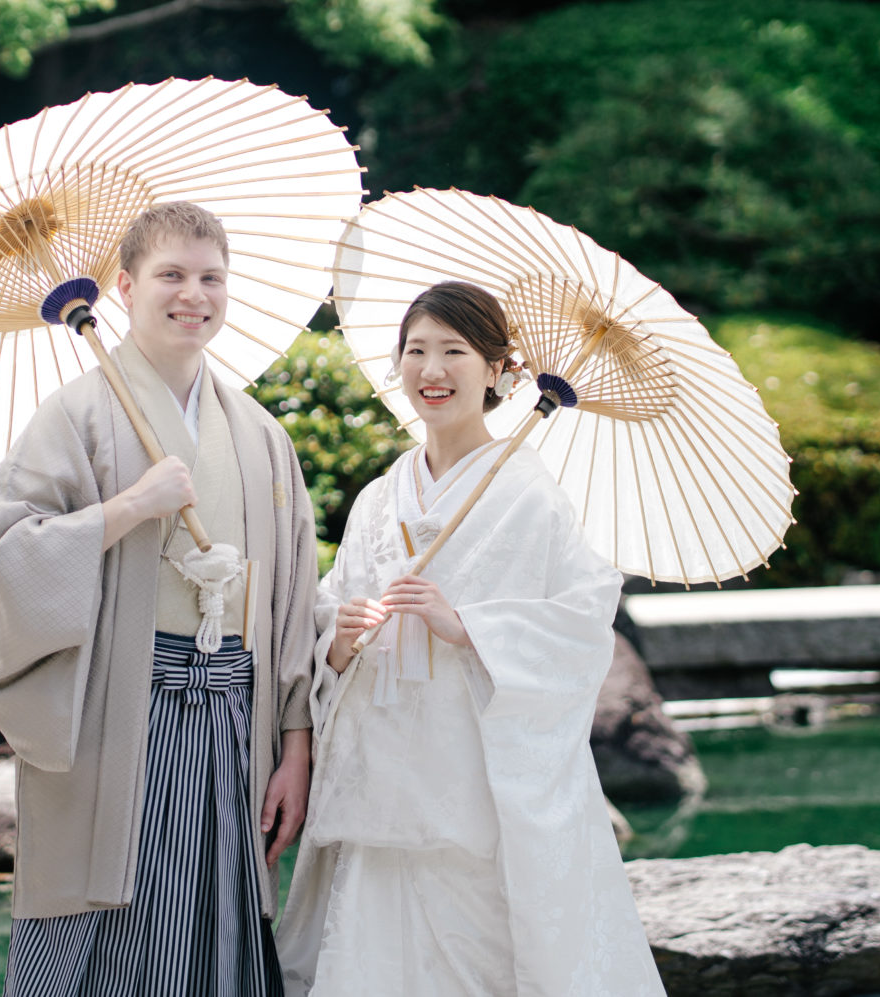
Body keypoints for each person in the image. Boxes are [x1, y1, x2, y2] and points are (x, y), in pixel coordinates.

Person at [279, 281, 667, 997]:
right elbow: (328, 615)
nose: (432, 369)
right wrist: (340, 638)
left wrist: (471, 627)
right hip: (381, 774)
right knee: (370, 951)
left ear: (497, 370)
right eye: (417, 350)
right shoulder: (379, 496)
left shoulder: (529, 493)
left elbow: (582, 622)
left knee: (481, 957)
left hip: (474, 786)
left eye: (454, 350)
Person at [0, 201, 317, 997]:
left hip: (234, 714)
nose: (192, 294)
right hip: (120, 707)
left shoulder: (262, 433)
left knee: (212, 925)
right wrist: (126, 507)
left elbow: (295, 600)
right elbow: (8, 545)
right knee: (99, 929)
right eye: (171, 274)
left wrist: (295, 743)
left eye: (210, 277)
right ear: (125, 286)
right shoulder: (78, 412)